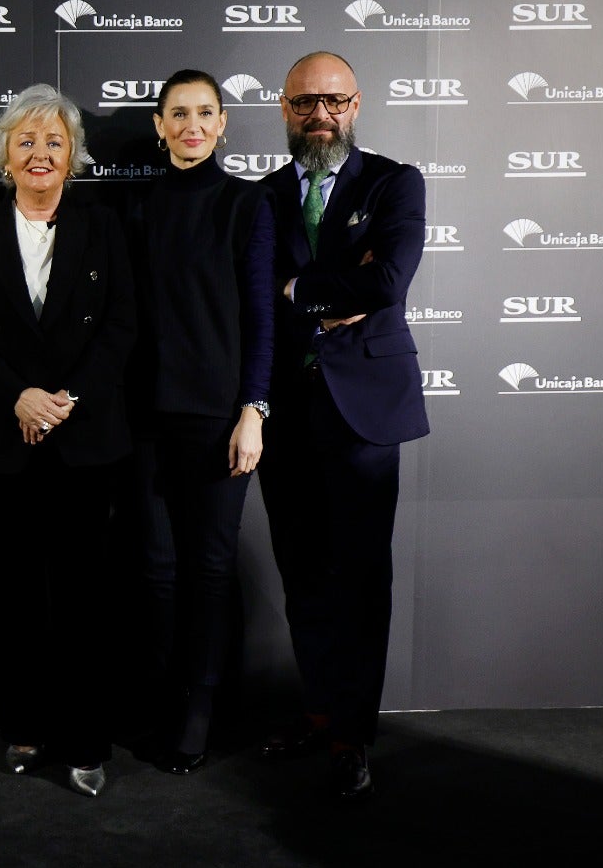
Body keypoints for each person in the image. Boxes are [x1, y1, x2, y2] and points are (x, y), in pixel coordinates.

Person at [0, 84, 135, 797]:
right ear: (4, 156)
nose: (40, 153)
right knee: (14, 597)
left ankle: (86, 742)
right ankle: (23, 728)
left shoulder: (106, 230)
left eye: (54, 141)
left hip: (84, 446)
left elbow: (121, 330)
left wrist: (63, 403)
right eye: (25, 141)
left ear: (73, 156)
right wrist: (15, 396)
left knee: (83, 601)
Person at [257, 51, 429, 800]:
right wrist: (329, 287)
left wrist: (299, 286)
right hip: (287, 413)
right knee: (303, 576)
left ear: (356, 104)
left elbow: (386, 282)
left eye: (333, 101)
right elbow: (253, 293)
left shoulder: (395, 182)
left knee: (360, 577)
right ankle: (321, 713)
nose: (319, 114)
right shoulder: (260, 198)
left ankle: (354, 734)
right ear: (284, 109)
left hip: (364, 409)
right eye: (304, 104)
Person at [125, 69, 274, 776]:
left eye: (203, 113)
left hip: (219, 418)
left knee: (210, 569)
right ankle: (157, 698)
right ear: (159, 125)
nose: (190, 125)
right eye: (177, 113)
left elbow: (262, 318)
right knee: (156, 571)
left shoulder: (247, 204)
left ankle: (200, 709)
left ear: (222, 125)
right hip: (145, 419)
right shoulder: (136, 207)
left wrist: (254, 409)